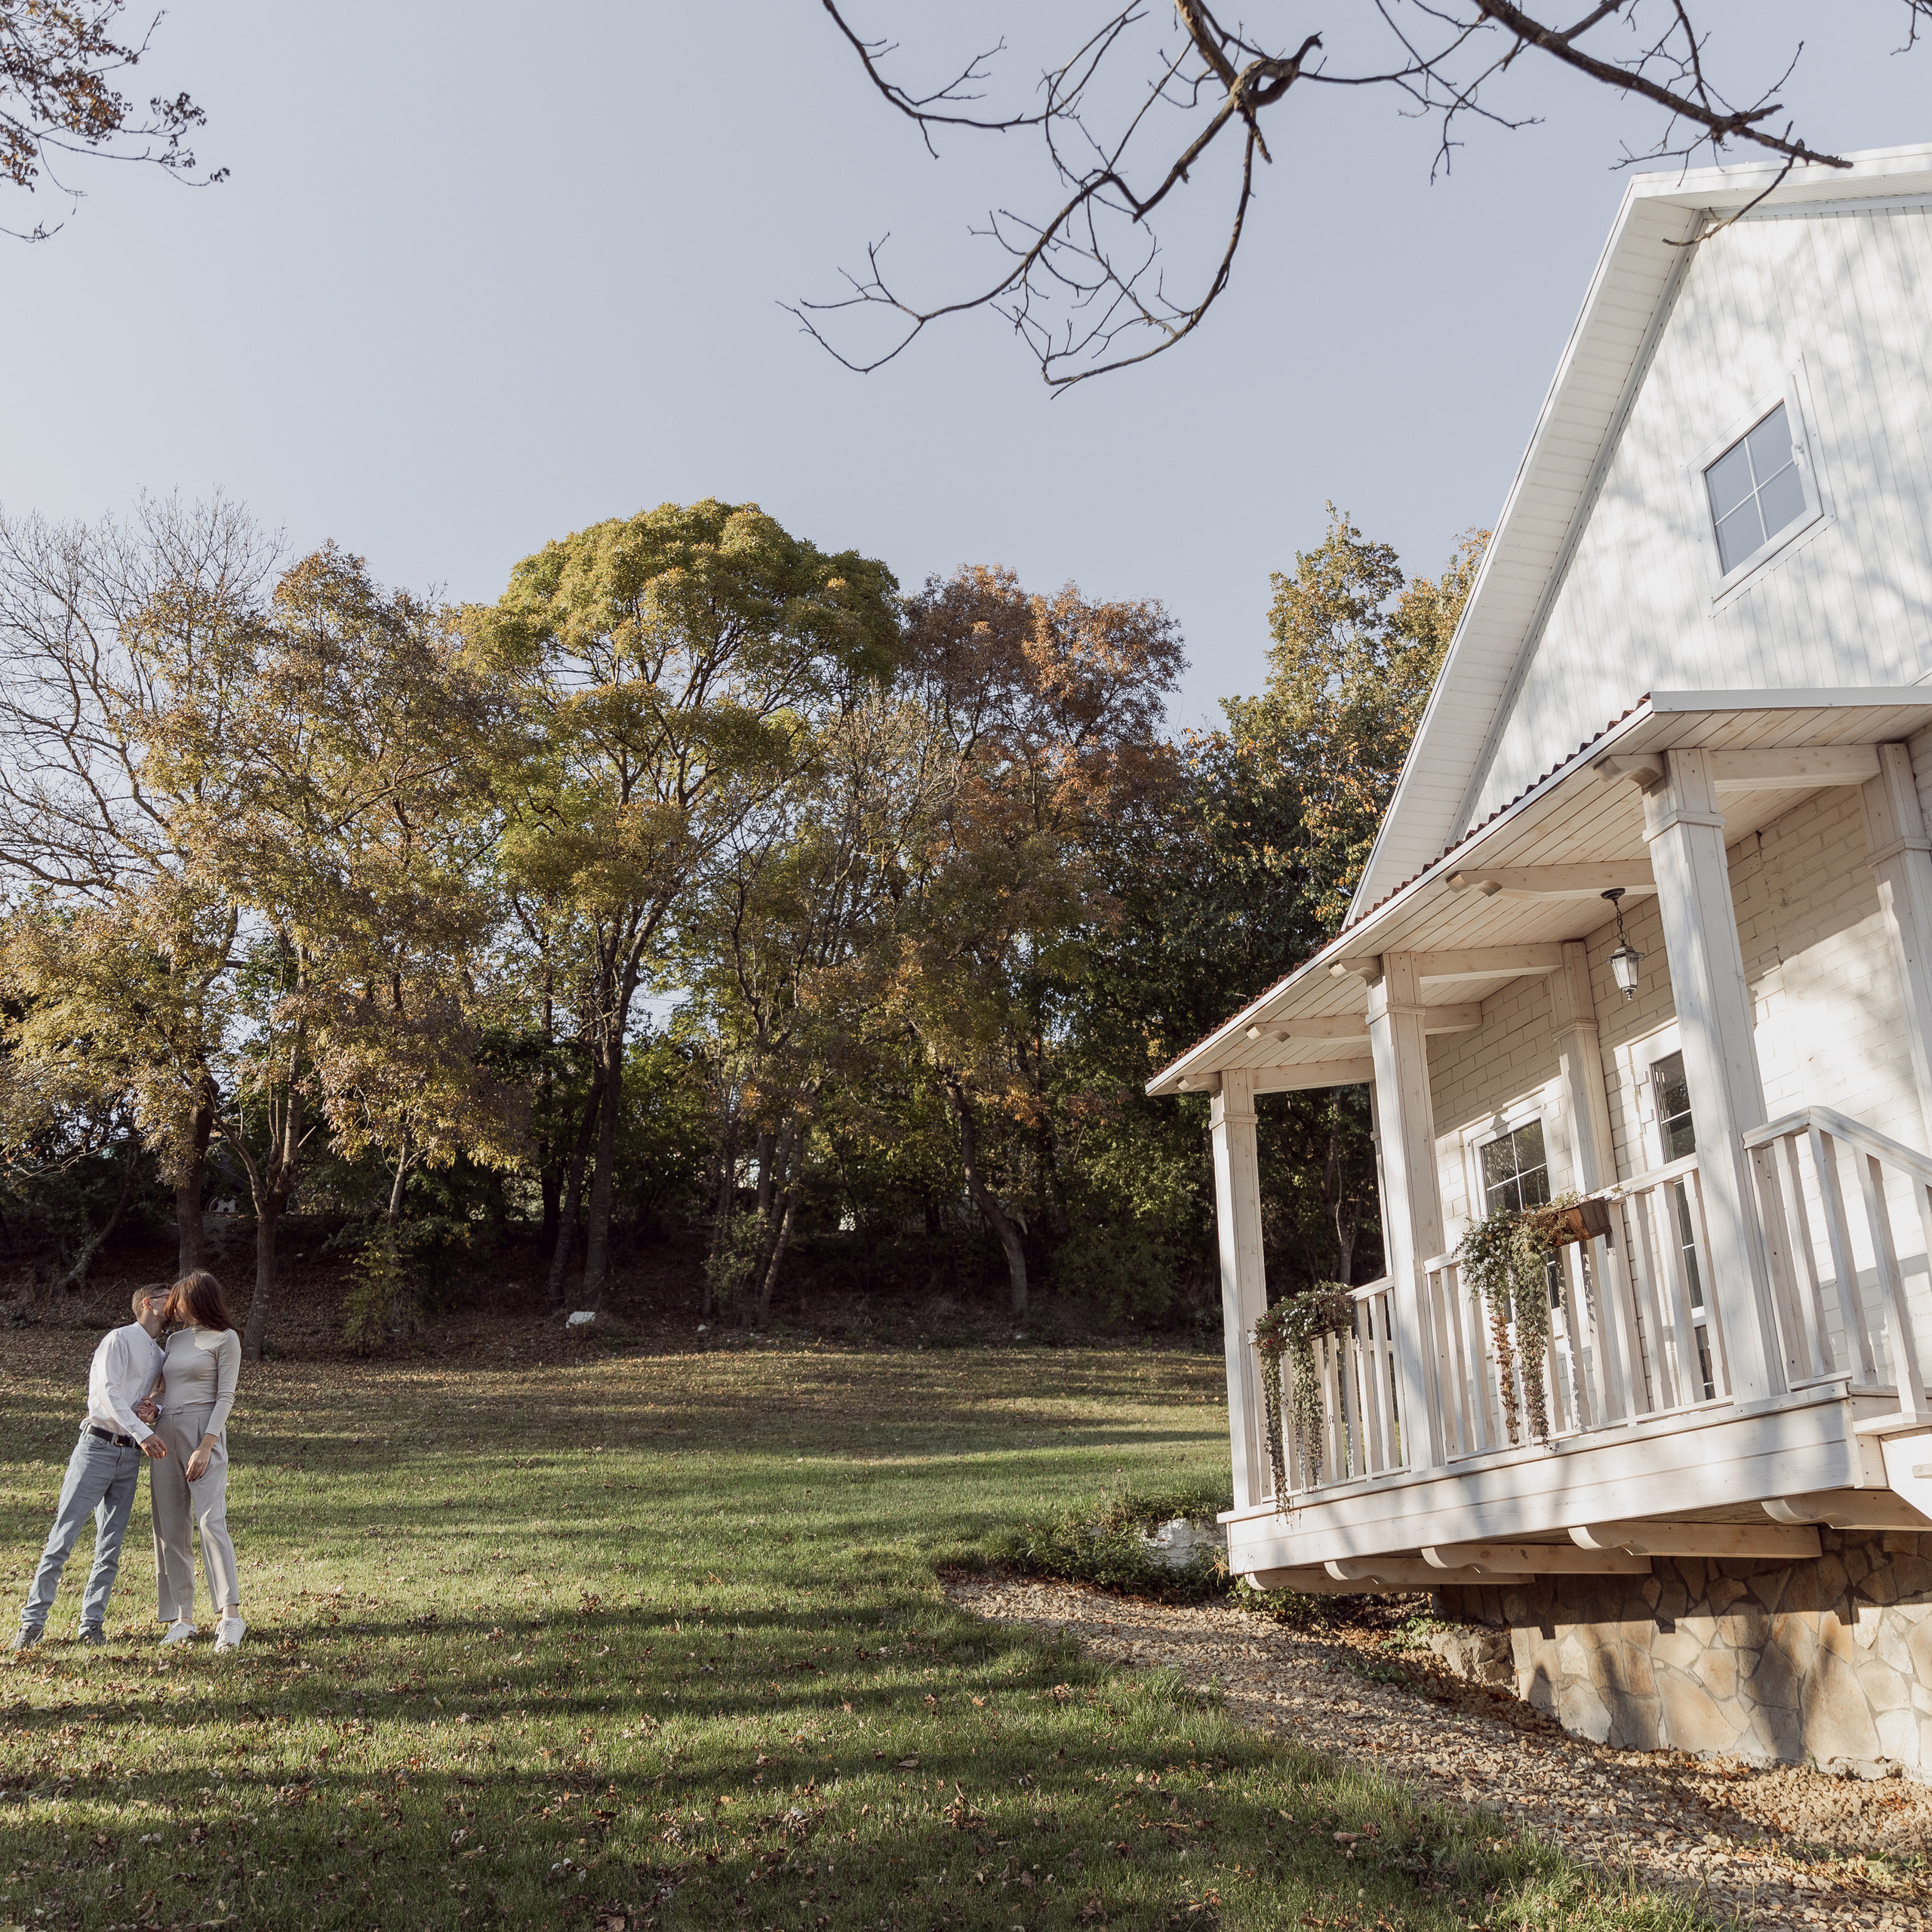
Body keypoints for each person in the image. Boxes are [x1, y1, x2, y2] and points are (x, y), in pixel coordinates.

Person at [10, 1284, 171, 1652]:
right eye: (167, 1298)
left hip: (129, 1456)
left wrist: (154, 1411)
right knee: (62, 1538)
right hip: (97, 1447)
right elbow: (108, 1392)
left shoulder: (161, 1354)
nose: (173, 1304)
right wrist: (143, 1431)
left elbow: (159, 1394)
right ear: (148, 1303)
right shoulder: (117, 1339)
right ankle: (32, 1624)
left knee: (110, 1545)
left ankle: (91, 1624)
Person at [150, 1269, 245, 1652]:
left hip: (204, 1432)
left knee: (210, 1521)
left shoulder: (226, 1339)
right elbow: (161, 1391)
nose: (174, 1305)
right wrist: (149, 1408)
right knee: (170, 1526)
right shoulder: (174, 1340)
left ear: (199, 1298)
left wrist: (206, 1445)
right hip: (165, 1434)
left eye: (181, 1298)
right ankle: (183, 1619)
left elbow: (226, 1397)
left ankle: (231, 1617)